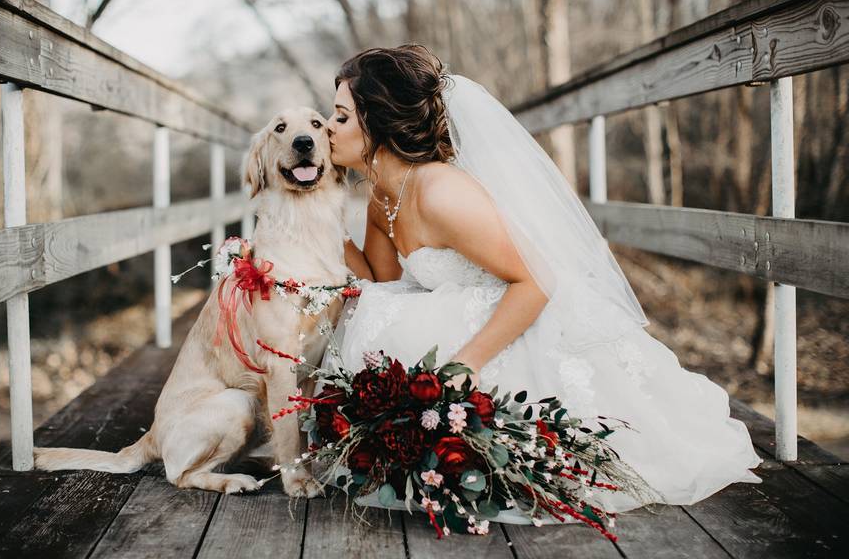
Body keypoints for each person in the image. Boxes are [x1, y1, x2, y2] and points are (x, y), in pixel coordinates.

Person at [320, 43, 762, 514]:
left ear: (380, 123)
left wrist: (462, 367)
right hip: (461, 306)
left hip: (523, 313)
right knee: (380, 313)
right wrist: (322, 220)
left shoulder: (441, 193)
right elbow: (384, 287)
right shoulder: (381, 194)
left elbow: (536, 282)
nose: (327, 127)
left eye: (342, 117)